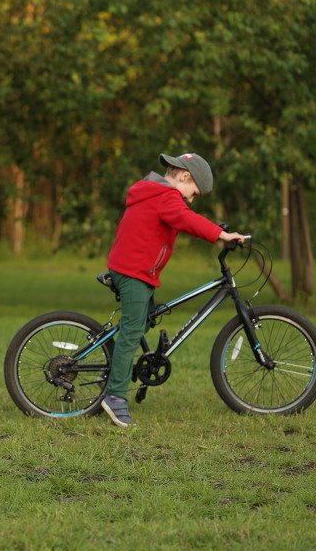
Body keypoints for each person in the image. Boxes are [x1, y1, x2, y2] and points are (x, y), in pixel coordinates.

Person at [102, 152, 245, 428]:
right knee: (131, 330)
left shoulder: (154, 193)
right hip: (133, 272)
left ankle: (118, 367)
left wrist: (216, 230)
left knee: (141, 322)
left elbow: (183, 217)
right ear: (185, 176)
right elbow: (186, 220)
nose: (190, 200)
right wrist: (221, 234)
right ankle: (115, 396)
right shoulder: (165, 197)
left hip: (136, 270)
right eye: (193, 193)